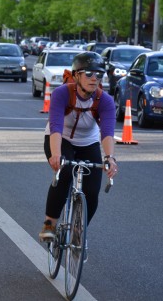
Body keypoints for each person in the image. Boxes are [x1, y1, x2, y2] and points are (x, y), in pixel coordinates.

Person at [38, 52, 118, 258]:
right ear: (76, 75)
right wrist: (56, 155)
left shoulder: (105, 100)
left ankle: (78, 231)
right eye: (89, 73)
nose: (94, 78)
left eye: (99, 74)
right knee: (63, 174)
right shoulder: (62, 93)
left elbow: (107, 133)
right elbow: (55, 126)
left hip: (87, 142)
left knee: (92, 191)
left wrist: (110, 158)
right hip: (59, 138)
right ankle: (50, 223)